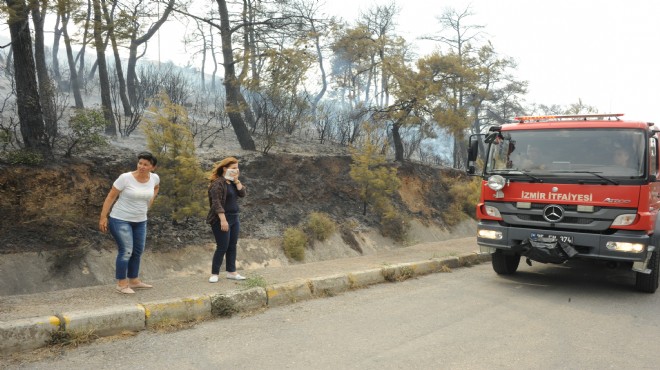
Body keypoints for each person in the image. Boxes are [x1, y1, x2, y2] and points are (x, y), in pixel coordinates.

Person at [99, 152, 160, 294]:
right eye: (140, 163)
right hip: (120, 219)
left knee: (137, 251)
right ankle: (121, 283)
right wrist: (103, 217)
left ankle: (134, 280)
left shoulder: (154, 178)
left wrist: (151, 200)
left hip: (140, 220)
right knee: (126, 251)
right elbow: (111, 197)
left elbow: (156, 187)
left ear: (153, 167)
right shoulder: (125, 178)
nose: (142, 166)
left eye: (146, 164)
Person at [206, 157, 247, 283]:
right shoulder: (217, 183)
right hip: (221, 219)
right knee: (222, 246)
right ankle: (214, 273)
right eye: (233, 168)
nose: (236, 170)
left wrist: (236, 180)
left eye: (237, 168)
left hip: (234, 217)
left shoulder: (232, 182)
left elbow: (242, 193)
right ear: (225, 168)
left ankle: (231, 272)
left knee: (232, 246)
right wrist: (223, 220)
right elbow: (216, 203)